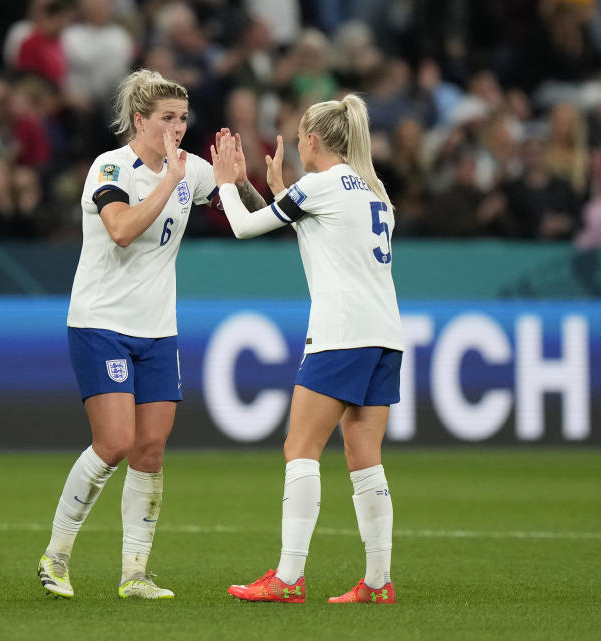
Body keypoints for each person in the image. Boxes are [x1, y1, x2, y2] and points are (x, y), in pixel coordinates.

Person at [36, 69, 266, 600]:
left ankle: (135, 573)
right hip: (101, 323)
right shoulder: (110, 166)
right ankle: (57, 555)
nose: (177, 128)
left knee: (151, 449)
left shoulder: (192, 169)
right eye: (167, 118)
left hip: (158, 329)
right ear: (140, 120)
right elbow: (119, 230)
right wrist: (169, 180)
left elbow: (246, 215)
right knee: (114, 443)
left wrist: (241, 179)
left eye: (183, 119)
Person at [210, 94, 403, 604]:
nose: (297, 144)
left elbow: (244, 226)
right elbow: (323, 234)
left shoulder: (319, 186)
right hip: (385, 334)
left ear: (313, 141)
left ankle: (289, 576)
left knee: (300, 449)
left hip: (340, 334)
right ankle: (378, 583)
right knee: (365, 458)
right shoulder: (373, 192)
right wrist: (277, 193)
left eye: (298, 137)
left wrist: (228, 185)